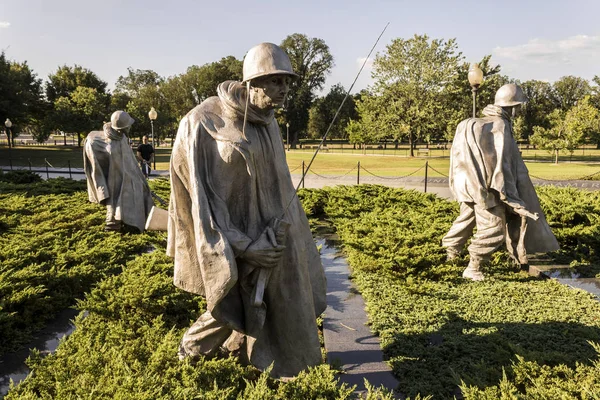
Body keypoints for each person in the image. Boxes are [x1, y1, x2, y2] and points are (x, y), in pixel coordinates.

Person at [167, 43, 327, 378]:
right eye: (276, 81)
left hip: (270, 235)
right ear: (253, 82)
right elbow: (204, 202)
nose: (284, 89)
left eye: (287, 82)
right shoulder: (205, 123)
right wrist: (246, 246)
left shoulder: (268, 121)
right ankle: (191, 350)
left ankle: (245, 351)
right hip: (231, 238)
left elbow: (278, 186)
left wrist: (285, 235)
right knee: (231, 296)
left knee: (265, 297)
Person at [442, 83, 559, 281]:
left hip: (466, 184)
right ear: (512, 107)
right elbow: (503, 166)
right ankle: (474, 267)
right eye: (518, 107)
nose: (519, 110)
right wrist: (510, 198)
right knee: (494, 227)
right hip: (486, 188)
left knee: (467, 218)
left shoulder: (470, 123)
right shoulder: (500, 125)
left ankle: (450, 254)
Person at [83, 111, 154, 232]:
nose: (130, 126)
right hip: (114, 175)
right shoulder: (109, 144)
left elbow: (130, 159)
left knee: (136, 189)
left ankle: (138, 220)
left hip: (125, 173)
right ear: (122, 128)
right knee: (115, 193)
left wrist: (139, 177)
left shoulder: (122, 138)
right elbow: (106, 165)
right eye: (128, 125)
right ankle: (112, 223)